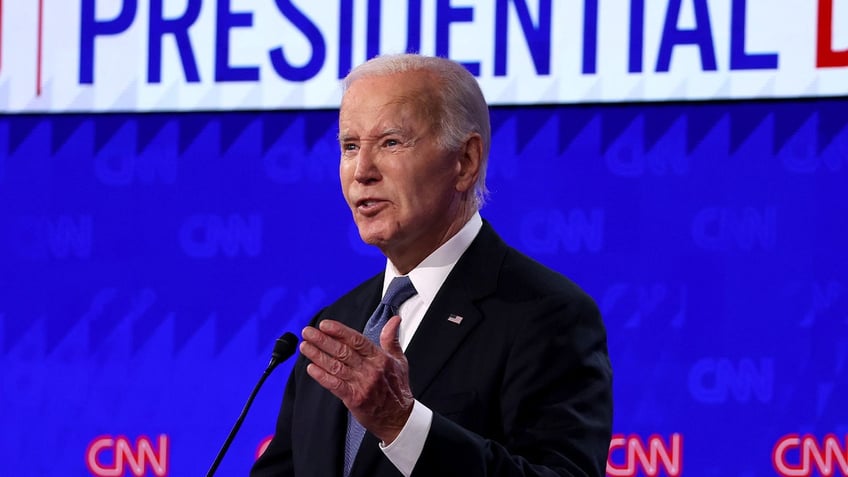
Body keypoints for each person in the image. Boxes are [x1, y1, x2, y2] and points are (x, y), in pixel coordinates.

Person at [251, 53, 613, 477]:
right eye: (350, 146)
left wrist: (403, 426)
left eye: (390, 142)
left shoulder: (546, 314)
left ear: (465, 162)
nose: (361, 171)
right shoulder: (338, 325)